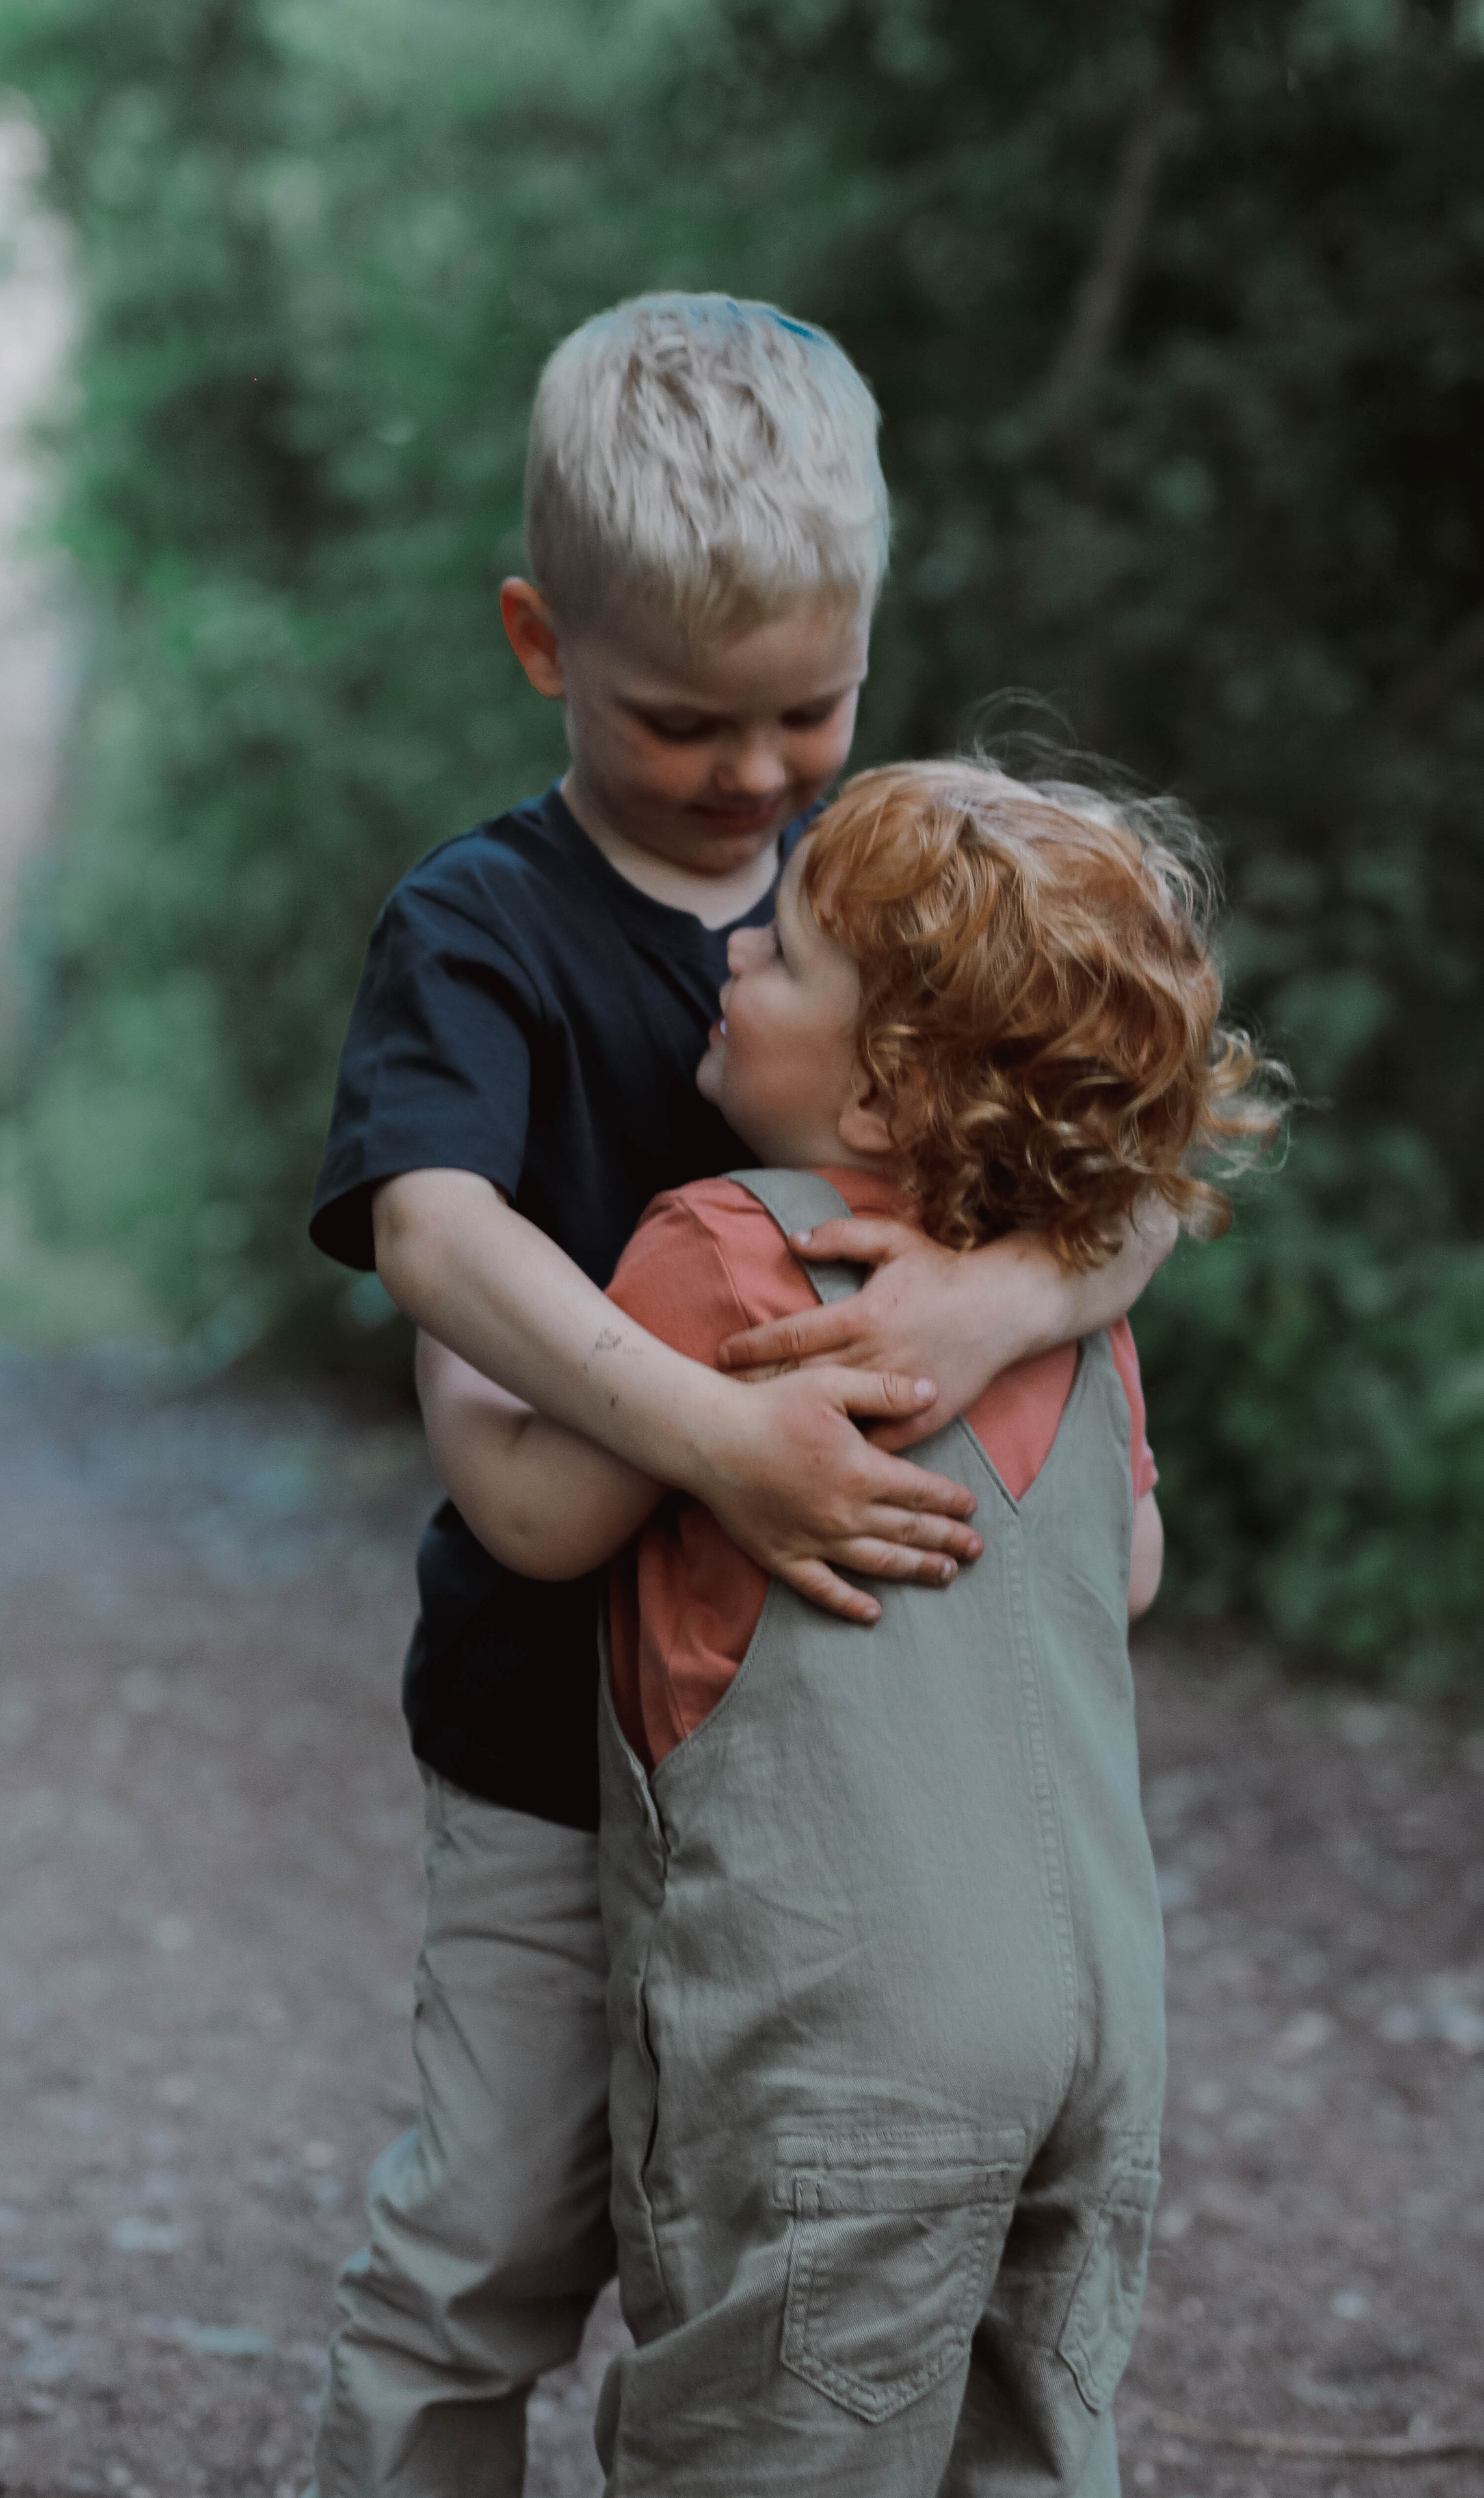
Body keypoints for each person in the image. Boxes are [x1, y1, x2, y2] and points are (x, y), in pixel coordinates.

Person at [306, 296, 1175, 2496]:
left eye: (813, 707)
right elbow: (434, 1232)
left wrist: (988, 1304)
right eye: (687, 720)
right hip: (552, 1734)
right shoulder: (483, 924)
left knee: (815, 2272)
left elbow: (1146, 1174)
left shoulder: (908, 902)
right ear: (543, 643)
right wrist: (721, 1441)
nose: (760, 776)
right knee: (494, 2237)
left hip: (849, 1802)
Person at [425, 759, 1282, 2495]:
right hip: (1098, 2036)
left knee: (774, 2455)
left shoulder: (719, 1251)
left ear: (885, 1089)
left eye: (785, 951)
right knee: (1026, 2458)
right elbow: (1126, 1569)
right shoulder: (1073, 1313)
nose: (734, 952)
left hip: (846, 2052)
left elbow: (533, 1513)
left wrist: (464, 1336)